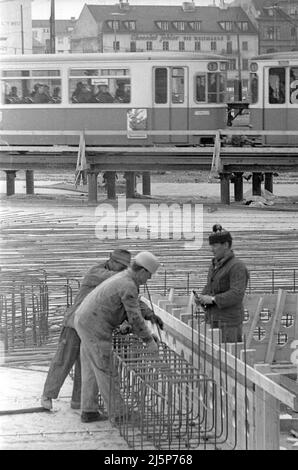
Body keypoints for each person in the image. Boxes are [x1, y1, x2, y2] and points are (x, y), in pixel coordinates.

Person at [74, 251, 162, 423]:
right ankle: (120, 414)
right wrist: (148, 340)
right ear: (143, 271)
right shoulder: (127, 284)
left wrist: (147, 325)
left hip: (84, 320)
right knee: (106, 368)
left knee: (92, 367)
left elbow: (133, 312)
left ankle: (89, 410)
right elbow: (134, 317)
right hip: (94, 325)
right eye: (149, 276)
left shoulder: (123, 278)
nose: (148, 280)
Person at [40, 248, 132, 412]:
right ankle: (47, 395)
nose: (123, 269)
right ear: (111, 260)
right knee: (63, 359)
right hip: (74, 323)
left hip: (92, 326)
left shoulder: (120, 278)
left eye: (126, 266)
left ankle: (79, 401)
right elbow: (115, 280)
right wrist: (134, 275)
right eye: (121, 265)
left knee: (86, 364)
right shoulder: (96, 272)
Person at [194, 224, 249, 343]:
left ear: (226, 245)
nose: (212, 249)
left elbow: (237, 294)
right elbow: (210, 286)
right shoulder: (214, 265)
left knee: (229, 357)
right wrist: (202, 297)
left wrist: (213, 299)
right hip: (213, 320)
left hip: (229, 324)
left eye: (214, 245)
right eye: (211, 245)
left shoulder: (237, 266)